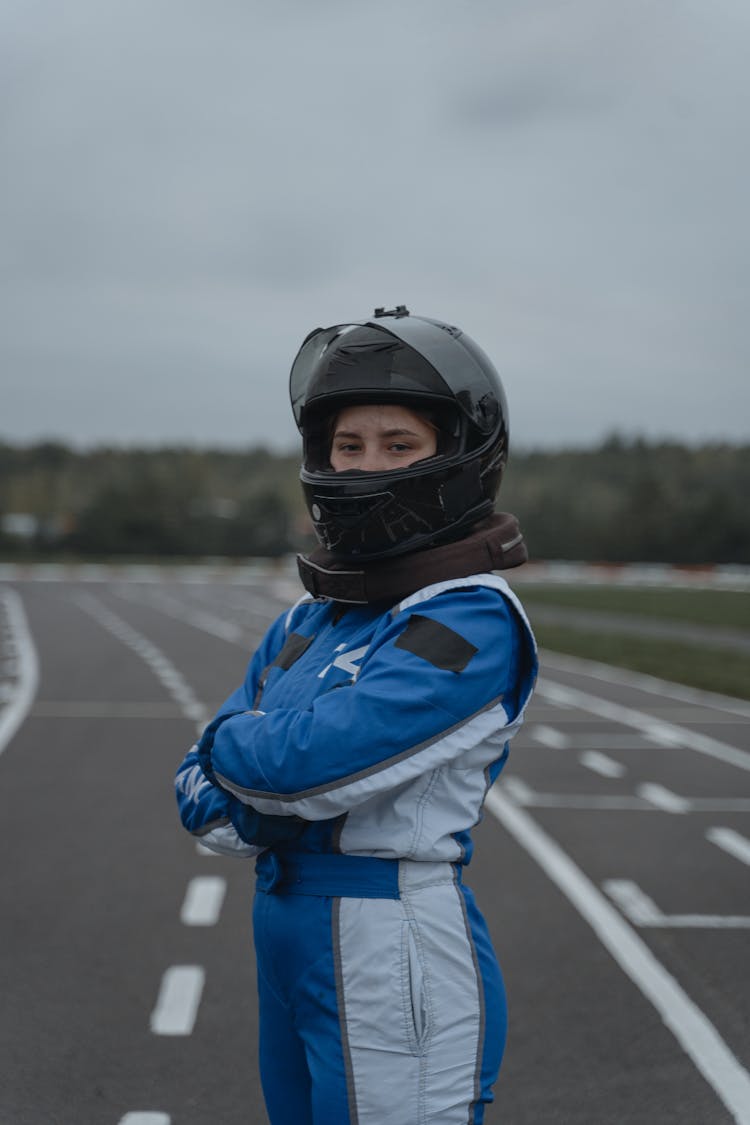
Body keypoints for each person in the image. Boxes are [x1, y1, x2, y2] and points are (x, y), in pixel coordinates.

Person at [175, 305, 537, 1125]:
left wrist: (235, 751)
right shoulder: (310, 619)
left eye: (399, 445)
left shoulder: (469, 618)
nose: (368, 466)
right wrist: (252, 767)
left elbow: (308, 765)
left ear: (457, 456)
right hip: (286, 927)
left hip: (388, 939)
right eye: (348, 445)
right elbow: (201, 796)